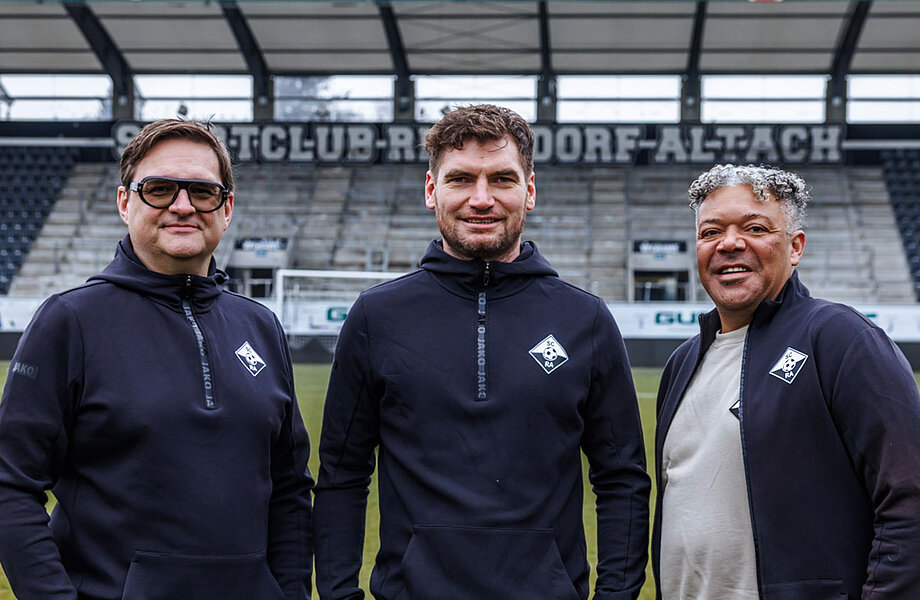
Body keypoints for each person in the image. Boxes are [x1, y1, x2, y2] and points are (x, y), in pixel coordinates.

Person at [313, 104, 650, 600]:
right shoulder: (376, 317)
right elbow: (342, 474)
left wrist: (616, 595)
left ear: (529, 192)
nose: (481, 199)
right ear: (432, 191)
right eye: (461, 179)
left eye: (502, 179)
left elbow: (621, 478)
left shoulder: (586, 320)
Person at [0, 119, 313, 600]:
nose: (182, 206)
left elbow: (290, 490)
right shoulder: (69, 321)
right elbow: (10, 484)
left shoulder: (260, 327)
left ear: (225, 208)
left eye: (202, 192)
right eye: (159, 189)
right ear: (125, 202)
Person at [652, 164, 920, 599]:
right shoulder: (682, 363)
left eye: (755, 228)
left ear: (795, 247)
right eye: (711, 232)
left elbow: (909, 499)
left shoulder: (841, 339)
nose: (730, 243)